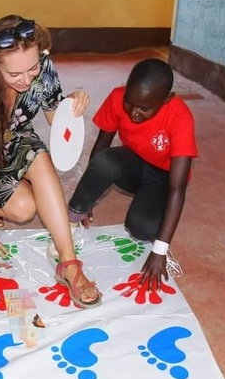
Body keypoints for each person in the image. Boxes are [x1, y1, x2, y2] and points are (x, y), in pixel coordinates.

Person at [0, 15, 101, 308]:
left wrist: (72, 105)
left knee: (40, 157)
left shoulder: (41, 69)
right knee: (24, 209)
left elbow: (59, 127)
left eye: (32, 68)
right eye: (15, 74)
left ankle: (69, 265)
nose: (27, 79)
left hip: (17, 139)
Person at [67, 58, 197, 291]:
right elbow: (101, 149)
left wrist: (159, 250)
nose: (134, 113)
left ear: (166, 100)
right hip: (135, 163)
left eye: (144, 108)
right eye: (130, 103)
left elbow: (178, 188)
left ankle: (149, 203)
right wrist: (87, 196)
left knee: (142, 228)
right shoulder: (117, 98)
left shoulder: (180, 117)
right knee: (106, 161)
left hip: (163, 178)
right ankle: (71, 221)